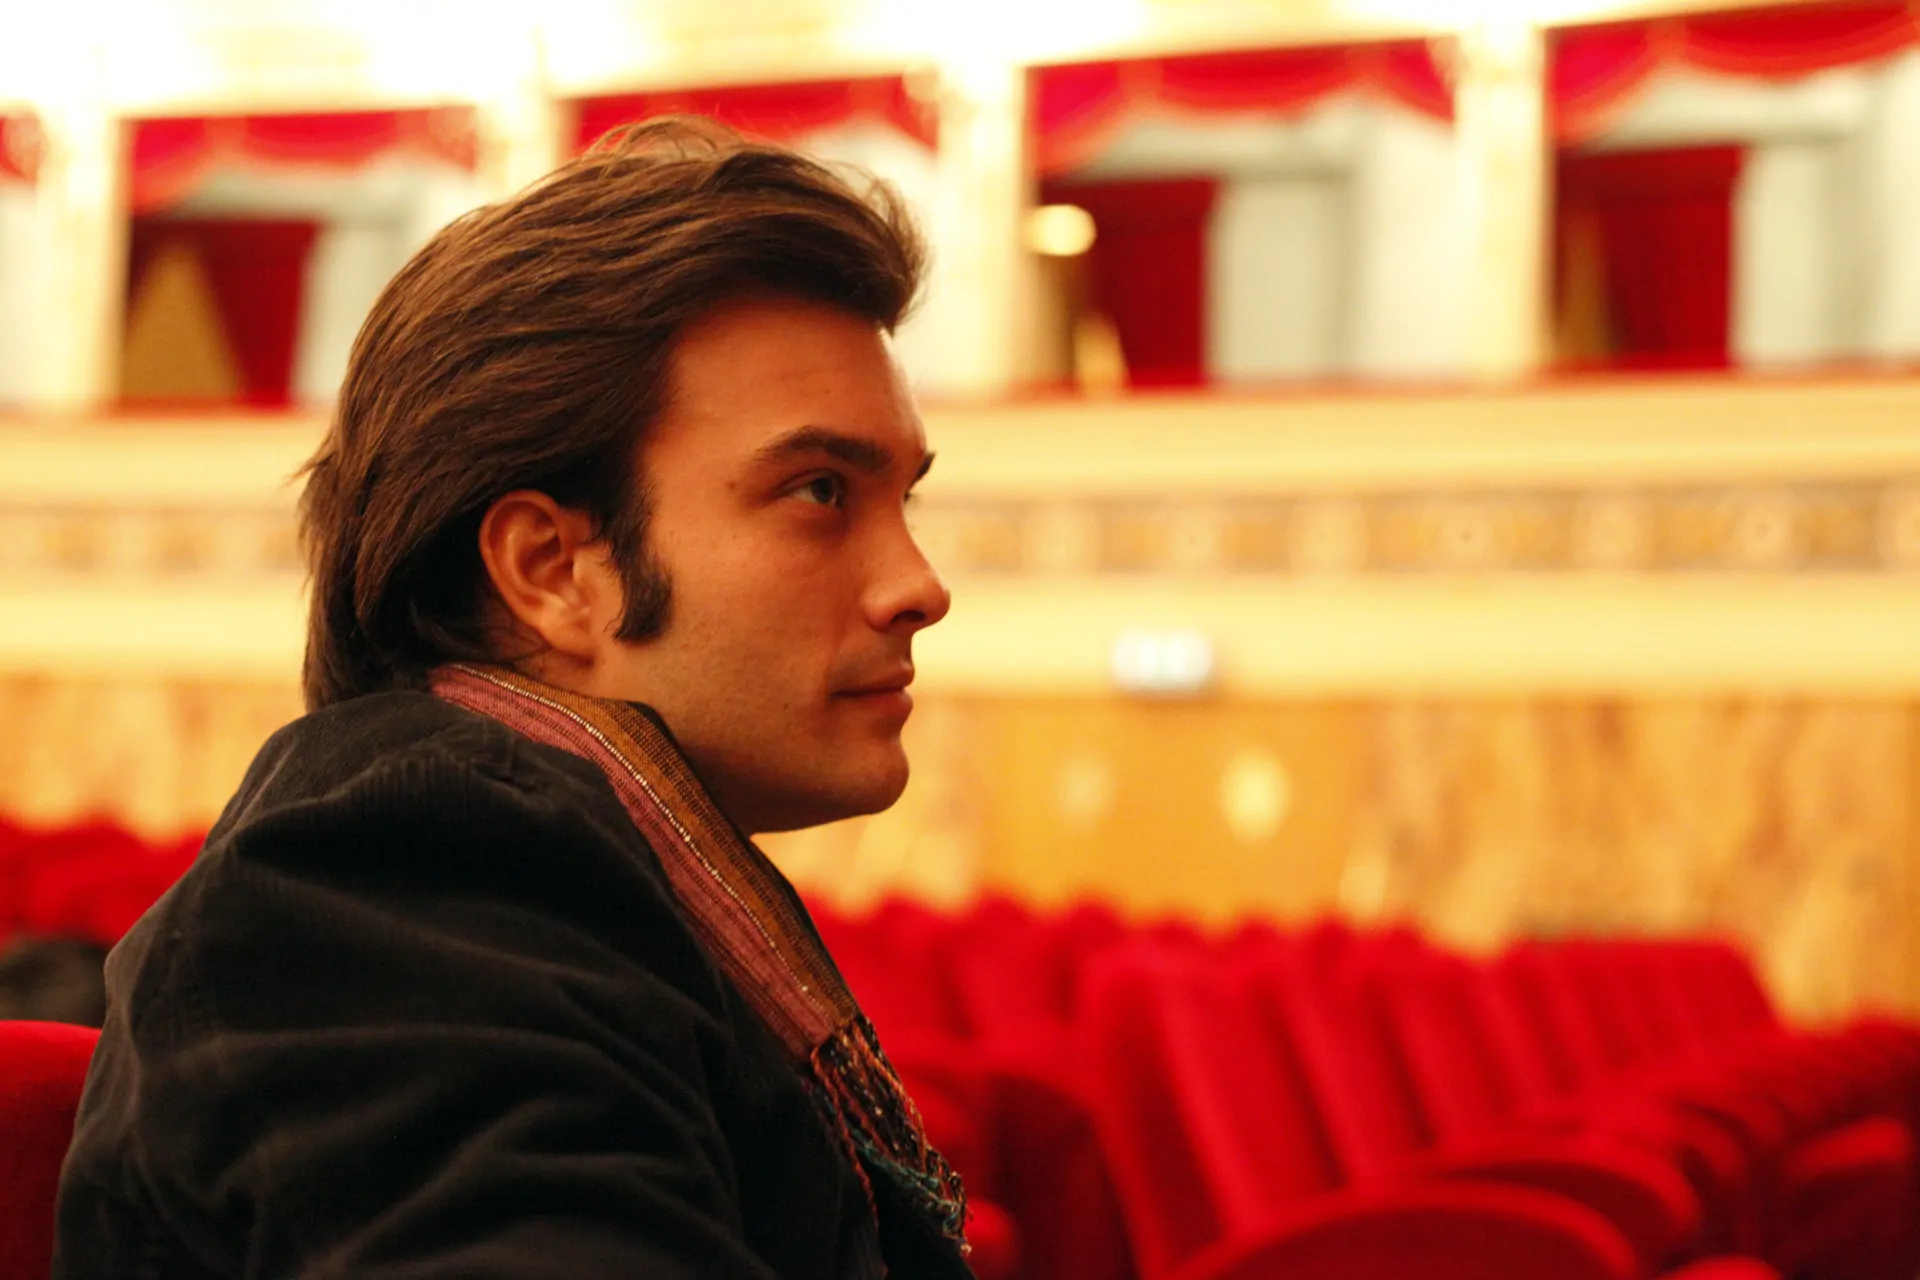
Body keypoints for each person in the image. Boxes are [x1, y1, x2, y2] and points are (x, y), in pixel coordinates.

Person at [54, 119, 969, 1279]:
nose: (919, 586)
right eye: (821, 491)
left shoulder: (547, 870)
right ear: (551, 570)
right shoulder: (397, 886)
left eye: (905, 500)